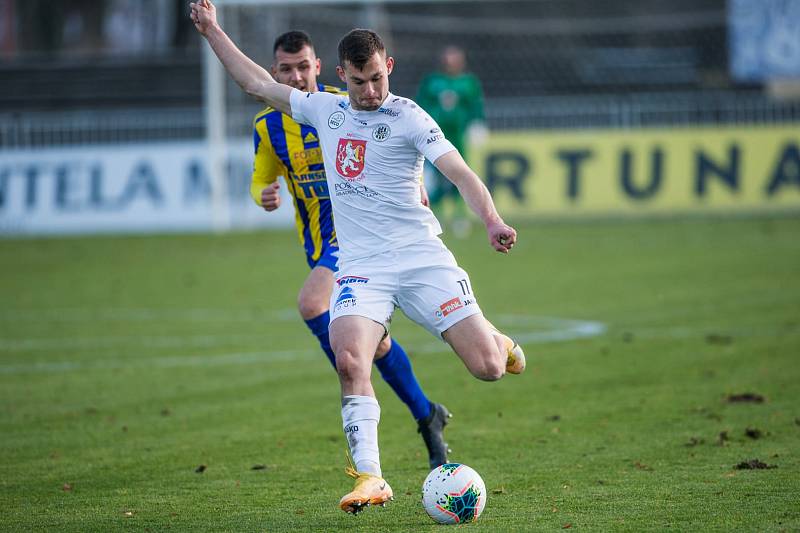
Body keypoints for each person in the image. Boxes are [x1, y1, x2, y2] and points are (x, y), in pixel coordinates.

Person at [190, 0, 525, 515]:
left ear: (387, 66)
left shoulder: (409, 115)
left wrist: (492, 220)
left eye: (376, 79)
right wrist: (212, 30)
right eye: (358, 82)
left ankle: (496, 340)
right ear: (339, 75)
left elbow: (460, 173)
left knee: (487, 368)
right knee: (349, 358)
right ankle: (371, 476)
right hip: (361, 265)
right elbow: (256, 83)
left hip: (420, 257)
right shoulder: (324, 110)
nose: (369, 92)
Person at [250, 29, 450, 470]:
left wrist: (416, 184)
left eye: (304, 66)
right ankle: (426, 414)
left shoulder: (347, 103)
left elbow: (395, 147)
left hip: (358, 242)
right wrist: (262, 193)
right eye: (286, 69)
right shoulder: (267, 126)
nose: (297, 76)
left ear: (320, 66)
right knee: (374, 349)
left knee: (311, 304)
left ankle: (353, 376)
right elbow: (261, 177)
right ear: (274, 72)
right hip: (318, 242)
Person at [416, 45, 486, 238]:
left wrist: (477, 123)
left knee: (460, 174)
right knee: (434, 179)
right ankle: (435, 216)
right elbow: (421, 104)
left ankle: (459, 216)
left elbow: (475, 105)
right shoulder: (432, 81)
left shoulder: (468, 82)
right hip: (434, 137)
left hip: (457, 136)